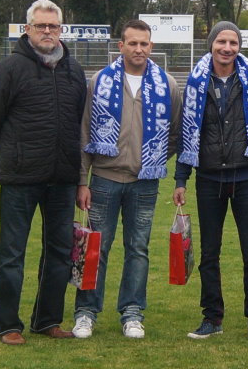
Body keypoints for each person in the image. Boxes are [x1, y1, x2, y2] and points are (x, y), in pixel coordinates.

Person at [0, 0, 87, 345]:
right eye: (40, 26)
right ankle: (9, 325)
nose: (47, 32)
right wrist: (13, 156)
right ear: (27, 29)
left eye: (53, 27)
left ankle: (47, 320)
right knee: (12, 253)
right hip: (20, 180)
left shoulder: (74, 71)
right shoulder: (10, 68)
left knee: (59, 252)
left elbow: (79, 123)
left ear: (61, 30)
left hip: (62, 180)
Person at [71, 19, 182, 339]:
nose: (138, 49)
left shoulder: (168, 85)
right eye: (132, 43)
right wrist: (83, 180)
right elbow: (84, 133)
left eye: (144, 44)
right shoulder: (99, 82)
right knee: (95, 248)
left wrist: (153, 160)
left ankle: (132, 312)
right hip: (103, 179)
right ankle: (86, 312)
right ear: (120, 46)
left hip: (145, 183)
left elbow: (175, 134)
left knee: (138, 249)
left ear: (151, 47)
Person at [173, 21, 248, 342]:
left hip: (246, 177)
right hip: (209, 178)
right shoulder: (196, 82)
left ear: (239, 46)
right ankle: (211, 318)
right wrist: (181, 179)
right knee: (209, 253)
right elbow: (187, 132)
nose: (227, 48)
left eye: (233, 42)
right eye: (221, 42)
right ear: (211, 44)